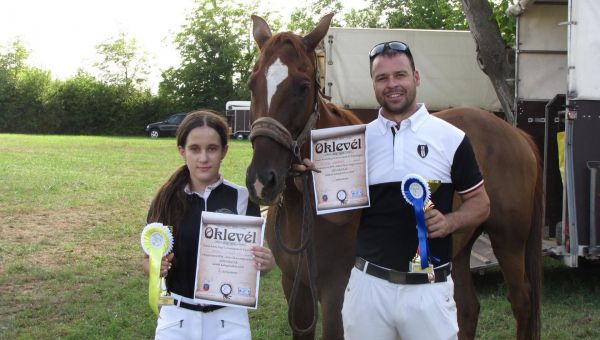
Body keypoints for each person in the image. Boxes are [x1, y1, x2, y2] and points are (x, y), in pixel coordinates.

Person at [339, 41, 491, 339]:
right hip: (368, 289)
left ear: (416, 77)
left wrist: (450, 222)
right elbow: (337, 217)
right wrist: (306, 181)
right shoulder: (356, 142)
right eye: (382, 78)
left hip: (429, 291)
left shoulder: (452, 138)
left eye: (400, 75)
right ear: (373, 83)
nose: (392, 84)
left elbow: (480, 203)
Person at [142, 110, 275, 340]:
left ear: (224, 151)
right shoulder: (165, 199)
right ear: (182, 151)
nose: (203, 158)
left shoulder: (243, 199)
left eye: (212, 149)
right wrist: (156, 267)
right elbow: (147, 261)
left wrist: (267, 263)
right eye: (195, 149)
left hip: (229, 319)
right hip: (177, 317)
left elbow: (252, 266)